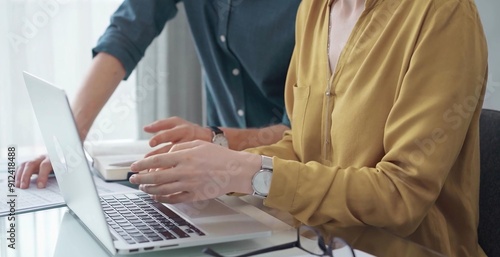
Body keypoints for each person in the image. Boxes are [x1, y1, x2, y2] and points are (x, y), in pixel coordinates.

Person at [125, 0, 489, 256]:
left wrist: (245, 172)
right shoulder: (314, 9)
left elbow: (401, 197)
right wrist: (215, 167)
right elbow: (300, 146)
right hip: (309, 241)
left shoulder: (442, 13)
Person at [15, 0, 302, 189]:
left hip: (291, 180)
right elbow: (126, 32)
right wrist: (69, 140)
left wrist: (215, 138)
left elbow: (301, 133)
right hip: (220, 182)